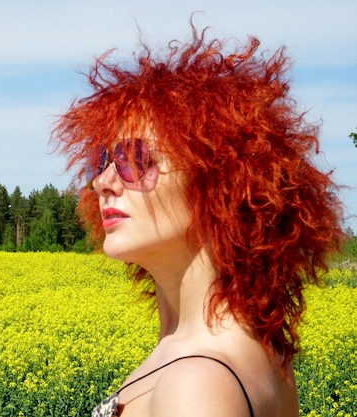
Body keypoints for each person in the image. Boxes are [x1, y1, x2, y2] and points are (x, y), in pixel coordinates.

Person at [51, 21, 347, 417]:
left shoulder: (197, 385)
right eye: (102, 161)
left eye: (135, 159)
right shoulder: (253, 351)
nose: (102, 182)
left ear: (219, 182)